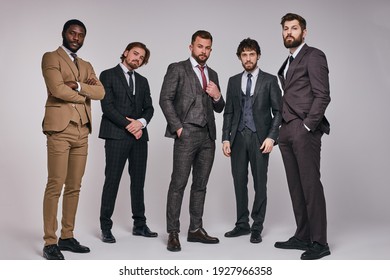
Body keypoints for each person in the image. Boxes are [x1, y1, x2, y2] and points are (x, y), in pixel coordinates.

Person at [41, 19, 105, 260]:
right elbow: (56, 89)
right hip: (60, 130)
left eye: (80, 35)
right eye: (72, 33)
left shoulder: (86, 64)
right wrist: (83, 94)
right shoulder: (51, 57)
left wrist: (77, 85)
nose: (76, 37)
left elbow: (100, 92)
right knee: (55, 184)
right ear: (64, 33)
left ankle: (66, 237)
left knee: (75, 186)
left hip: (82, 131)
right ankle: (50, 241)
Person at [159, 30, 225, 252]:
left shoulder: (213, 73)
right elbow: (165, 98)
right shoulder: (178, 68)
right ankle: (173, 232)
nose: (203, 51)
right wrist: (177, 127)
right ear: (191, 47)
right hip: (186, 133)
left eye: (207, 48)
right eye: (200, 46)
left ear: (211, 50)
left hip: (208, 136)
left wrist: (217, 95)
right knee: (178, 184)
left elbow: (219, 107)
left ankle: (195, 229)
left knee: (200, 185)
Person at [274, 13, 331, 260]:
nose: (289, 32)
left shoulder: (314, 56)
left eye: (294, 28)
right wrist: (283, 129)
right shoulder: (287, 62)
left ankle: (320, 242)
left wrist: (308, 126)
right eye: (286, 28)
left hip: (304, 130)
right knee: (296, 186)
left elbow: (323, 95)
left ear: (304, 32)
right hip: (286, 130)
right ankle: (302, 235)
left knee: (310, 185)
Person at [222, 38, 282, 244]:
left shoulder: (270, 80)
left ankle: (257, 227)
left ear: (258, 56)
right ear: (240, 57)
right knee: (239, 182)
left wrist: (271, 137)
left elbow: (279, 112)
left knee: (260, 183)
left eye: (252, 54)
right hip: (237, 137)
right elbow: (228, 112)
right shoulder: (232, 81)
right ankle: (242, 225)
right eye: (244, 55)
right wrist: (225, 138)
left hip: (260, 138)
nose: (248, 58)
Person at [98, 42, 156, 243]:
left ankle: (139, 225)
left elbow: (149, 108)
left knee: (138, 182)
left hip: (139, 138)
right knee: (112, 180)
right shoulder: (107, 75)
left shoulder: (143, 81)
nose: (137, 59)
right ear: (125, 52)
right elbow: (107, 107)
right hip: (116, 135)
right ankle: (106, 227)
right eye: (135, 54)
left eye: (141, 58)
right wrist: (129, 125)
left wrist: (140, 123)